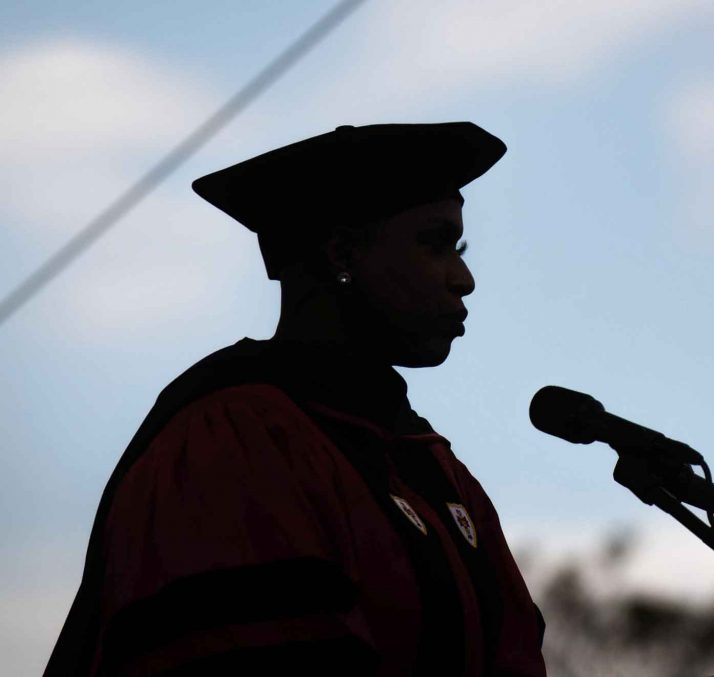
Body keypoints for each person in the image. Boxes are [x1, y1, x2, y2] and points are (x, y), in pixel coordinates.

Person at [44, 122, 547, 676]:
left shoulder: (428, 463)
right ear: (341, 254)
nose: (464, 280)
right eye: (434, 244)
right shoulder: (231, 440)